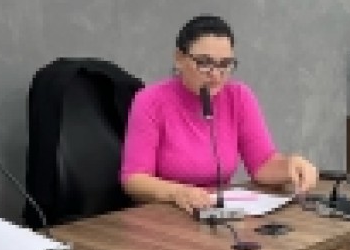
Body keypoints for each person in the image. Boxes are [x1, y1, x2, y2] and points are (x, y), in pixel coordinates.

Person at [120, 14, 318, 213]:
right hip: (164, 215)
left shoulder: (239, 97)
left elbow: (262, 165)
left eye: (225, 64)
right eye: (204, 63)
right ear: (179, 58)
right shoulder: (150, 101)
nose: (215, 75)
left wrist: (290, 166)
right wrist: (176, 193)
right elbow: (134, 179)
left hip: (217, 213)